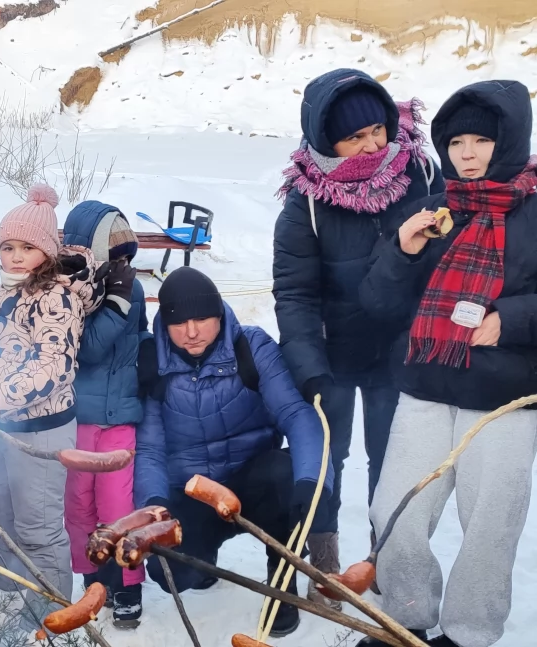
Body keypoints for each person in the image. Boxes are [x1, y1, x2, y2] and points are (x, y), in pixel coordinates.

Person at [358, 80, 537, 647]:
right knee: (395, 509)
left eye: (482, 139)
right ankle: (404, 618)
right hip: (426, 385)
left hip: (505, 396)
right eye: (456, 140)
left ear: (508, 140)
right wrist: (402, 251)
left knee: (490, 524)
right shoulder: (432, 213)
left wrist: (511, 320)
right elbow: (378, 305)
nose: (466, 153)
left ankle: (468, 633)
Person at [271, 69, 444, 601]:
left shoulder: (420, 174)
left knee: (393, 463)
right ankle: (324, 564)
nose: (373, 146)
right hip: (333, 354)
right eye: (355, 138)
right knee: (326, 460)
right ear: (326, 142)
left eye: (378, 131)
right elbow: (295, 294)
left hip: (402, 349)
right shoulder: (307, 204)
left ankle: (383, 559)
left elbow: (439, 262)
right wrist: (310, 368)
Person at [134, 267, 332, 638]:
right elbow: (150, 449)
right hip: (192, 490)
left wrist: (312, 481)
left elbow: (295, 414)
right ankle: (203, 559)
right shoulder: (152, 361)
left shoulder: (250, 347)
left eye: (201, 319)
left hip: (252, 480)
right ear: (163, 321)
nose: (191, 332)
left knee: (286, 477)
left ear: (219, 315)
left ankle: (282, 581)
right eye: (179, 322)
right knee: (170, 570)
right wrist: (154, 508)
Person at [0, 184, 102, 624]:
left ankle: (51, 604)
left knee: (38, 521)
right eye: (7, 247)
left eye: (27, 247)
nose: (16, 256)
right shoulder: (4, 292)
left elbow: (52, 365)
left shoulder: (57, 297)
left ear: (48, 251)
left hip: (42, 428)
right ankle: (7, 573)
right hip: (2, 423)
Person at [58, 201, 148, 627]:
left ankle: (126, 583)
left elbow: (138, 334)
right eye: (113, 257)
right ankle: (92, 575)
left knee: (117, 505)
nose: (122, 266)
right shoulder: (70, 291)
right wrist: (113, 300)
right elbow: (89, 346)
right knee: (77, 505)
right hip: (77, 417)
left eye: (126, 256)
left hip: (120, 415)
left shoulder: (132, 289)